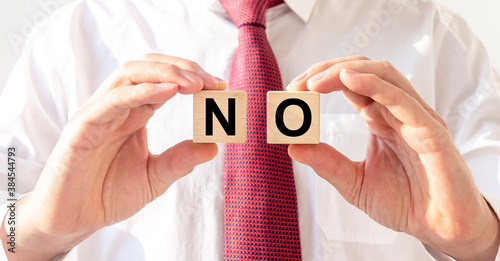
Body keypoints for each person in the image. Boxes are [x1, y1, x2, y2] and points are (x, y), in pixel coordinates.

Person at [1, 0, 500, 260]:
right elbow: (7, 215)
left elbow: (489, 235)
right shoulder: (67, 41)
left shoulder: (433, 36)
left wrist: (477, 240)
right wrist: (38, 228)